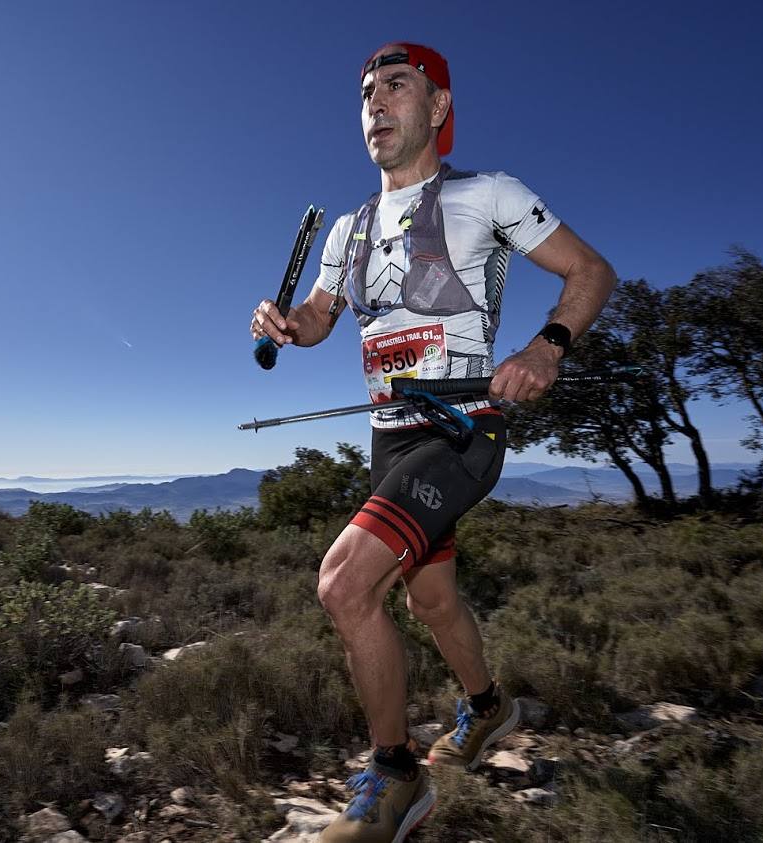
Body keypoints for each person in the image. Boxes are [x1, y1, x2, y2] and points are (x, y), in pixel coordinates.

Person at [249, 42, 617, 841]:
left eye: (398, 87)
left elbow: (590, 271)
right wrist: (284, 323)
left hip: (460, 429)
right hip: (390, 437)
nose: (376, 105)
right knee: (429, 598)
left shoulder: (487, 194)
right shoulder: (346, 230)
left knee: (345, 585)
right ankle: (490, 709)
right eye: (367, 93)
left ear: (439, 108)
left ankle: (396, 777)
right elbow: (317, 320)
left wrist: (545, 346)